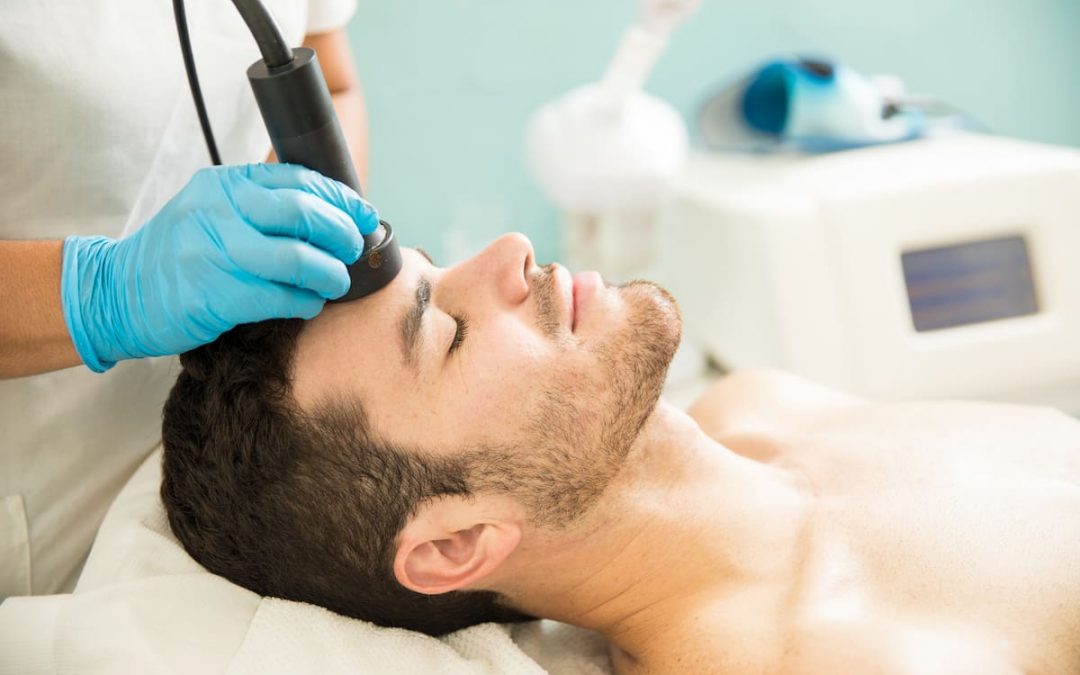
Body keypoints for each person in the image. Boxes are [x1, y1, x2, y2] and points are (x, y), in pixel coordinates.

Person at [160, 234, 1080, 674]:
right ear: (456, 542)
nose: (510, 254)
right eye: (448, 330)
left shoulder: (762, 407)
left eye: (441, 266)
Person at [0, 1, 373, 600]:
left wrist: (309, 218)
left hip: (235, 491)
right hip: (41, 497)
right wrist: (105, 293)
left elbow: (334, 83)